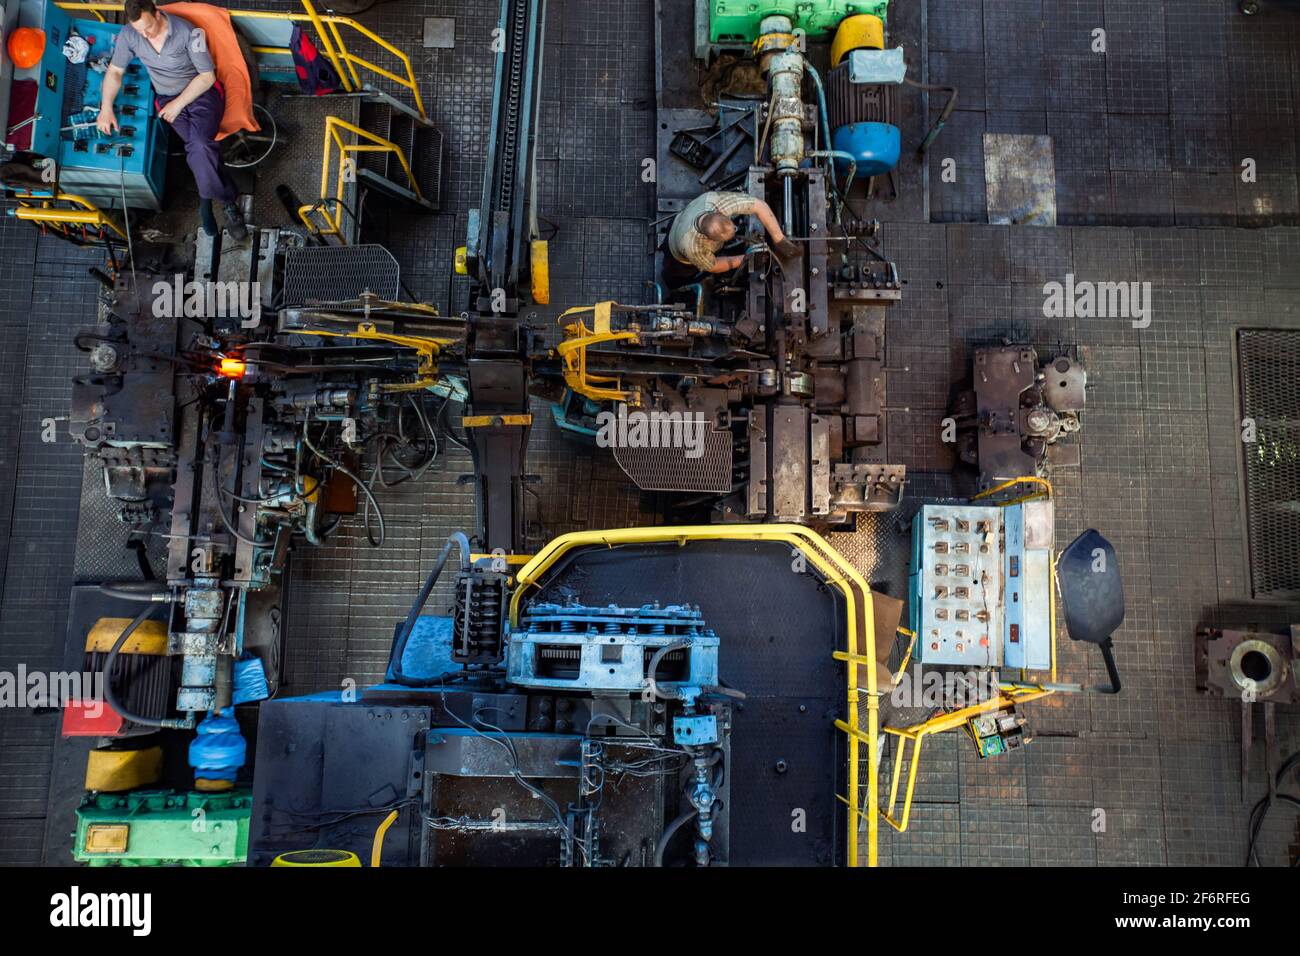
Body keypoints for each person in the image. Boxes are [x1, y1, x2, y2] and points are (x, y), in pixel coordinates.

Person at [97, 0, 247, 240]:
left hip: (201, 96)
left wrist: (178, 105)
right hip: (167, 99)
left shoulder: (189, 33)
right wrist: (106, 108)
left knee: (198, 144)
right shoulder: (130, 35)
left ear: (157, 13)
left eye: (148, 27)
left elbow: (207, 77)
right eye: (139, 30)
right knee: (202, 152)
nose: (144, 35)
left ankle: (213, 202)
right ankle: (220, 199)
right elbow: (115, 71)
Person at [661, 190, 801, 289]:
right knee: (675, 277)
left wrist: (779, 239)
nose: (735, 231)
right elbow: (713, 265)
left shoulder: (715, 201)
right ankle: (674, 286)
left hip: (680, 219)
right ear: (708, 239)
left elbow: (759, 206)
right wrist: (746, 258)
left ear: (719, 213)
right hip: (677, 252)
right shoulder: (692, 245)